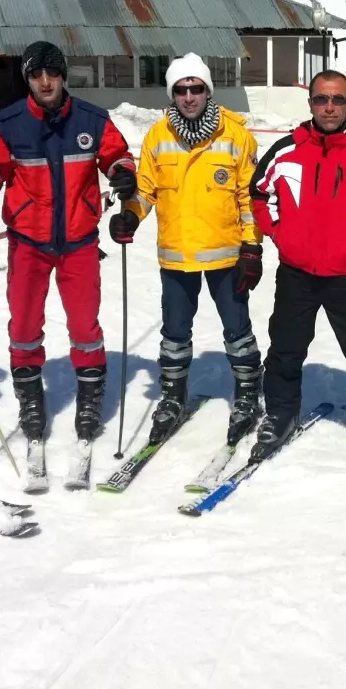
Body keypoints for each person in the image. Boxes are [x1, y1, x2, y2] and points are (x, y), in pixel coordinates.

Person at [0, 41, 135, 450]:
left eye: (53, 73)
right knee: (24, 326)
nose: (45, 82)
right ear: (28, 79)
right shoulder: (7, 124)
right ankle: (30, 398)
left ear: (63, 75)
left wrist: (122, 172)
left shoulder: (92, 120)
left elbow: (118, 156)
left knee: (85, 325)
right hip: (28, 242)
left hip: (79, 241)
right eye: (36, 75)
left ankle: (90, 396)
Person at [249, 70, 346, 463]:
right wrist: (281, 235)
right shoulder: (286, 150)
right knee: (285, 349)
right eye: (322, 99)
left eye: (337, 100)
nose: (330, 107)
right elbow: (259, 194)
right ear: (311, 104)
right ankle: (281, 413)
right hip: (297, 273)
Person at [110, 53, 264, 446]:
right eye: (181, 90)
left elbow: (249, 198)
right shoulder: (158, 137)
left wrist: (252, 247)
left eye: (197, 88)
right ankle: (173, 395)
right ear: (172, 94)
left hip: (225, 253)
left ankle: (247, 393)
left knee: (237, 329)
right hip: (176, 255)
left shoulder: (236, 136)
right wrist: (129, 215)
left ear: (208, 91)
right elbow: (145, 192)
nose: (189, 96)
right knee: (174, 332)